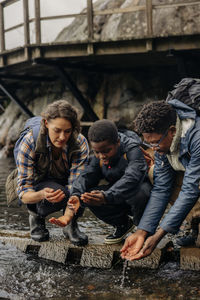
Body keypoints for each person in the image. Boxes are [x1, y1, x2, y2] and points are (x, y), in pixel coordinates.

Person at [121, 100, 200, 261]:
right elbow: (161, 188)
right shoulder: (163, 143)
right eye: (148, 142)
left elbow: (191, 190)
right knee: (153, 173)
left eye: (155, 142)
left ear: (172, 131)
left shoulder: (197, 138)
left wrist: (158, 235)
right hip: (192, 177)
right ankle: (195, 225)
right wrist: (142, 232)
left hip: (195, 181)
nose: (153, 148)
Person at [49, 119, 152, 244]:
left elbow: (133, 177)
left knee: (140, 193)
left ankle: (143, 229)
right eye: (97, 152)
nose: (102, 156)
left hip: (141, 192)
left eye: (107, 151)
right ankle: (123, 224)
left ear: (118, 142)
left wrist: (106, 196)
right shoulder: (99, 156)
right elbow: (86, 176)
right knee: (89, 195)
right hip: (115, 195)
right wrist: (76, 195)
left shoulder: (132, 149)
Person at [10, 100, 89, 245]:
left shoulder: (80, 142)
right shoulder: (29, 142)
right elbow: (23, 192)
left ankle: (71, 226)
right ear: (46, 124)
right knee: (54, 192)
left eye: (67, 131)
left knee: (85, 187)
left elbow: (76, 185)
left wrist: (67, 216)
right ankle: (36, 218)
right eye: (57, 130)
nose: (62, 137)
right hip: (39, 182)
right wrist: (41, 195)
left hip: (65, 180)